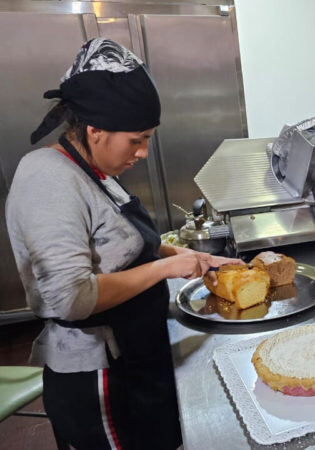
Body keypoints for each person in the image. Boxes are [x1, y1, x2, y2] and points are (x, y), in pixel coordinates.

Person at [6, 38, 240, 449]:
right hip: (98, 375)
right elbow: (71, 298)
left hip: (135, 357)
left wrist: (187, 255)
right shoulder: (49, 179)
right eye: (136, 139)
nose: (144, 152)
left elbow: (127, 245)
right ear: (95, 130)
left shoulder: (93, 172)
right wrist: (166, 269)